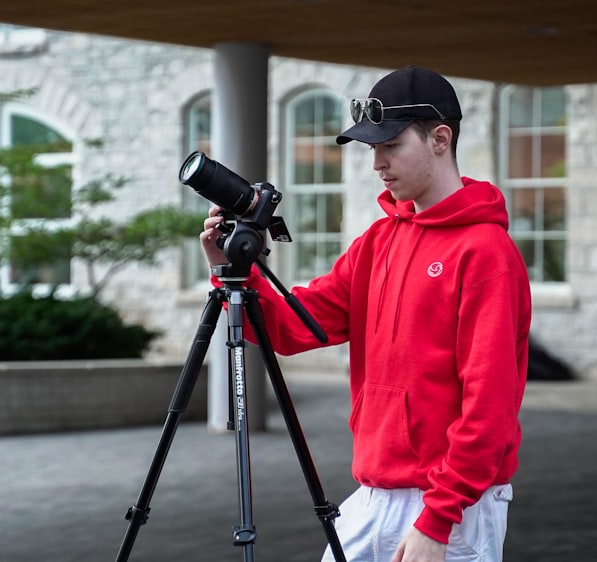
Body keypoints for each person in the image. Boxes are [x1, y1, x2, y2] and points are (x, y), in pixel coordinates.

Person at [200, 66, 531, 562]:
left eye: (391, 145)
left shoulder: (486, 252)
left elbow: (490, 410)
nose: (376, 162)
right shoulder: (377, 242)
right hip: (374, 493)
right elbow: (293, 327)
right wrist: (234, 277)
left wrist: (438, 522)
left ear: (440, 138)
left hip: (454, 507)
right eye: (372, 148)